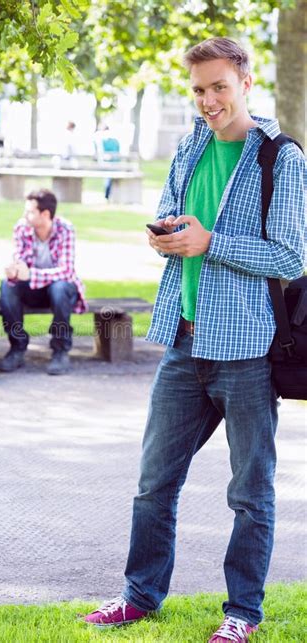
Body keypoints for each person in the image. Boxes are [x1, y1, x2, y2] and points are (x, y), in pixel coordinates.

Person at [84, 37, 305, 642]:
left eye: (219, 87)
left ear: (246, 83)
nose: (208, 100)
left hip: (247, 352)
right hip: (184, 343)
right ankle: (139, 595)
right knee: (154, 484)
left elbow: (291, 253)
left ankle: (242, 615)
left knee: (249, 494)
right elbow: (170, 212)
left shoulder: (281, 159)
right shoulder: (191, 144)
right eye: (199, 90)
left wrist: (211, 242)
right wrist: (165, 235)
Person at [0, 188, 87, 375]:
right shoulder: (22, 227)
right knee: (7, 285)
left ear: (45, 214)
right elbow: (20, 262)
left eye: (30, 211)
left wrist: (30, 275)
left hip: (59, 290)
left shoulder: (65, 229)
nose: (25, 215)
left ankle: (60, 349)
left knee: (60, 288)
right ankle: (17, 346)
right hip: (33, 291)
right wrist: (14, 271)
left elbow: (66, 271)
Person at [94, 123, 121, 200]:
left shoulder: (102, 139)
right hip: (114, 163)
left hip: (108, 164)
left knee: (108, 178)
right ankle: (108, 195)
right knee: (108, 178)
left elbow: (100, 153)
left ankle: (107, 195)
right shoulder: (115, 140)